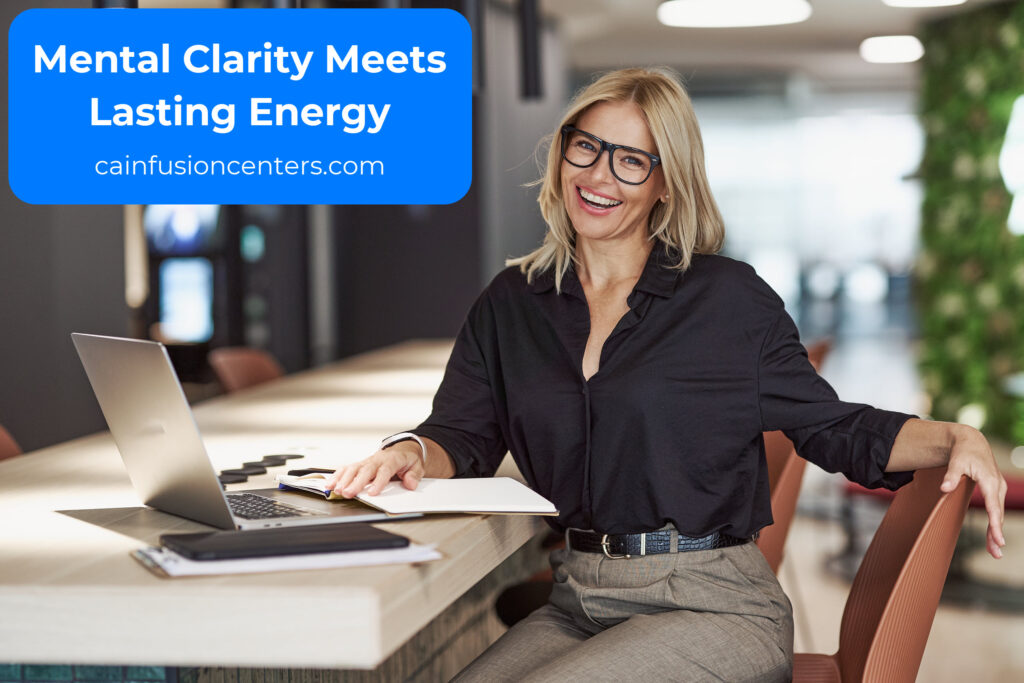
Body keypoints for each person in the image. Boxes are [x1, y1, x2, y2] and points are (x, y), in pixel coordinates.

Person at [325, 67, 1008, 682]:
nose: (598, 177)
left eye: (631, 162)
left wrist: (955, 436)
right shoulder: (513, 301)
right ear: (563, 151)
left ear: (664, 182)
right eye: (586, 147)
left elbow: (832, 427)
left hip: (714, 604)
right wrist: (409, 452)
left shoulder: (727, 300)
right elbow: (461, 431)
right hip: (579, 597)